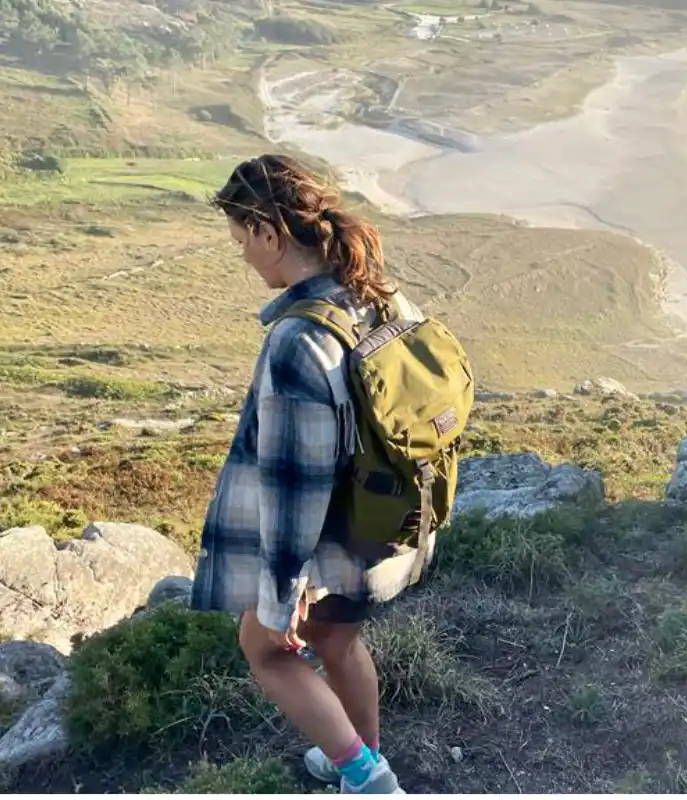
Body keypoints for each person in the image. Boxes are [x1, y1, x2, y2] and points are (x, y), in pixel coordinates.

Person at [191, 154, 428, 794]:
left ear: (269, 231)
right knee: (338, 638)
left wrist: (282, 586)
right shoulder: (373, 287)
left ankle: (366, 777)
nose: (243, 256)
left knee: (265, 648)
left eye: (242, 240)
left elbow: (298, 480)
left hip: (332, 536)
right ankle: (361, 753)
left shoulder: (298, 341)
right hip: (387, 515)